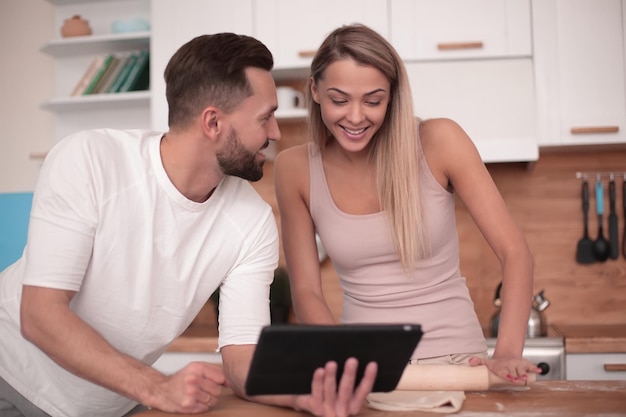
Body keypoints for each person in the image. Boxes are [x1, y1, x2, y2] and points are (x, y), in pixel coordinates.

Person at [0, 33, 376, 417]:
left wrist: (300, 396)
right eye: (266, 117)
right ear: (212, 122)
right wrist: (158, 386)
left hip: (111, 403)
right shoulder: (89, 160)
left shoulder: (252, 221)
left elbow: (242, 357)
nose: (275, 132)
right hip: (10, 377)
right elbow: (41, 314)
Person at [274, 23, 541, 385]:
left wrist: (507, 352)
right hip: (365, 372)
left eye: (373, 100)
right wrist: (340, 359)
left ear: (392, 96)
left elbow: (515, 251)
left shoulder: (440, 140)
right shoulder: (294, 169)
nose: (355, 117)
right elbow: (306, 291)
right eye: (340, 100)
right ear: (315, 90)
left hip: (459, 363)